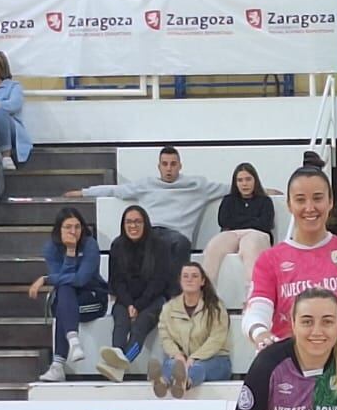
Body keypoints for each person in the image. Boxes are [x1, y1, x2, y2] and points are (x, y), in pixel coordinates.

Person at [242, 166, 337, 358]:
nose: (309, 208)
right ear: (289, 205)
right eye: (300, 200)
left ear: (330, 201)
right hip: (290, 377)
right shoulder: (270, 260)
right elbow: (256, 311)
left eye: (317, 198)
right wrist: (261, 333)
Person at [70, 146, 227, 246]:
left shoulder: (197, 186)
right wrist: (84, 192)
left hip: (178, 235)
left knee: (179, 244)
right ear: (159, 167)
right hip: (152, 231)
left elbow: (231, 188)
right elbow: (116, 190)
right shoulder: (146, 185)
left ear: (180, 166)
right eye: (165, 164)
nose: (169, 168)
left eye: (173, 164)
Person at [29, 207, 108, 383]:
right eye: (68, 227)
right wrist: (69, 253)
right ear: (59, 229)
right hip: (69, 301)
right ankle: (73, 342)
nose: (73, 231)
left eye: (77, 226)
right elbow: (63, 281)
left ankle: (58, 364)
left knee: (63, 301)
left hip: (94, 297)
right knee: (64, 290)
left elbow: (81, 279)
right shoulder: (51, 248)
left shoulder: (90, 244)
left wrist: (46, 278)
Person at [98, 205, 171, 382]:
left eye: (138, 221)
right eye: (129, 222)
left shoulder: (159, 246)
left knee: (140, 326)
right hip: (125, 299)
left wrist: (138, 306)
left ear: (145, 223)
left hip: (153, 299)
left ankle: (120, 364)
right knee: (121, 322)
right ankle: (117, 363)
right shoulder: (117, 245)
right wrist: (130, 304)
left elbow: (159, 282)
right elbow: (116, 281)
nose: (133, 226)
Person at [199, 162, 276, 299]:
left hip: (257, 234)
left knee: (250, 245)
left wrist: (240, 221)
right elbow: (224, 221)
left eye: (248, 179)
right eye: (240, 180)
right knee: (214, 245)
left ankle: (253, 295)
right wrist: (251, 220)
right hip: (233, 233)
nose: (244, 184)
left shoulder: (264, 201)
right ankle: (205, 295)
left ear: (255, 181)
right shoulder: (229, 200)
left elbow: (264, 223)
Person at [155, 262, 231, 398]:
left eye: (194, 276)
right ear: (180, 281)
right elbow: (166, 337)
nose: (189, 279)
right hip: (182, 360)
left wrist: (194, 358)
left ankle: (182, 383)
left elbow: (217, 339)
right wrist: (178, 356)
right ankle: (166, 381)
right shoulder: (169, 308)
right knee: (171, 362)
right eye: (185, 276)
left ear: (202, 281)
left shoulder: (216, 308)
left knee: (198, 367)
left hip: (215, 359)